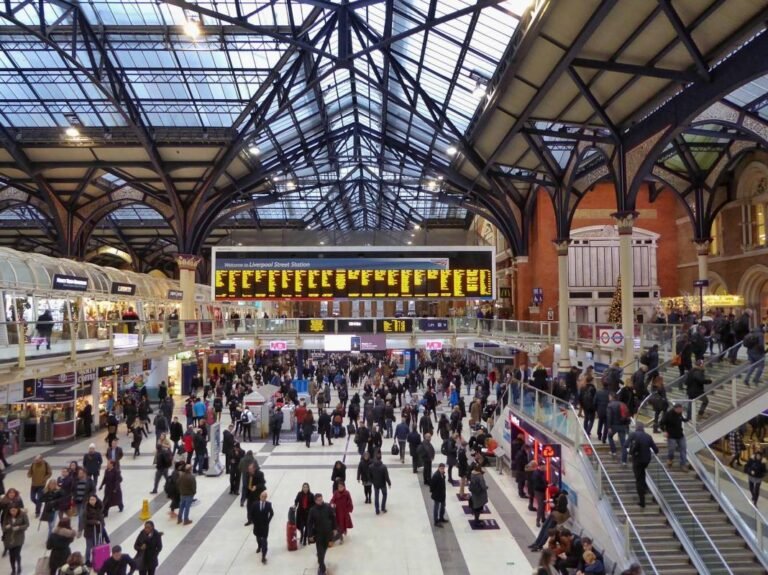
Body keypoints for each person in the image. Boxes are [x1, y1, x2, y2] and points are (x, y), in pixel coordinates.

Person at [627, 423, 658, 508]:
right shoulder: (648, 436)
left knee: (638, 479)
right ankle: (645, 488)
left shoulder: (635, 436)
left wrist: (630, 453)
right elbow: (655, 449)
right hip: (646, 460)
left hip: (638, 460)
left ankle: (642, 501)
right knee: (642, 473)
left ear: (636, 428)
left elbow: (633, 447)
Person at [307, 493, 337, 575]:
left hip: (328, 534)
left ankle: (320, 558)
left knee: (323, 552)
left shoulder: (327, 507)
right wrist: (310, 535)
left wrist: (334, 528)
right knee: (320, 555)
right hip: (319, 535)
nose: (321, 501)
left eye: (321, 499)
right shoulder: (312, 510)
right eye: (319, 500)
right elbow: (309, 523)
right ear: (315, 501)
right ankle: (322, 569)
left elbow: (333, 518)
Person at [660, 403, 688, 469]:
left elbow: (682, 419)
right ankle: (670, 459)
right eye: (680, 409)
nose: (681, 410)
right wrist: (665, 431)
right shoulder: (668, 414)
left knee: (683, 449)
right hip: (671, 435)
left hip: (680, 435)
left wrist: (687, 419)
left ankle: (683, 464)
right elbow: (661, 423)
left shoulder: (679, 414)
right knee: (671, 449)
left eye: (681, 409)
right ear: (676, 409)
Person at [1, 505, 28, 574]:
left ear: (17, 509)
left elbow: (27, 524)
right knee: (11, 555)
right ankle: (13, 569)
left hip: (19, 538)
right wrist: (7, 527)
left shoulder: (23, 514)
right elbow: (3, 527)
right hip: (9, 539)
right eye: (11, 511)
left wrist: (19, 527)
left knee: (17, 554)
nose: (13, 512)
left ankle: (19, 566)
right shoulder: (6, 516)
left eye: (14, 510)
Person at [606, 393, 631, 463]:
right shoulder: (622, 404)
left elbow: (609, 417)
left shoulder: (610, 405)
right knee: (623, 444)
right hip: (622, 426)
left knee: (610, 436)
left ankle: (613, 451)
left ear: (612, 397)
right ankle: (624, 461)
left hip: (614, 426)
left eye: (609, 396)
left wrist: (609, 427)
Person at [83, 495, 105, 568]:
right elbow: (85, 520)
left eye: (93, 499)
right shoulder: (86, 509)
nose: (92, 501)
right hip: (89, 531)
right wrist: (95, 522)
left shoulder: (99, 507)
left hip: (98, 530)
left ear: (96, 500)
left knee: (97, 546)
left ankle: (96, 559)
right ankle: (87, 560)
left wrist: (102, 524)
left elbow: (101, 518)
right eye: (90, 499)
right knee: (89, 547)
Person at [252, 491, 273, 564]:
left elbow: (272, 513)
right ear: (260, 497)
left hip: (264, 526)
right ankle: (259, 546)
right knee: (258, 538)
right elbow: (252, 514)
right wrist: (254, 522)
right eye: (262, 496)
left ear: (266, 497)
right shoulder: (255, 504)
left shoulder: (268, 504)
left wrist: (268, 521)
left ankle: (263, 556)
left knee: (264, 541)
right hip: (257, 525)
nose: (263, 498)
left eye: (265, 497)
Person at [430, 462, 447, 527]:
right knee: (436, 508)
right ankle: (436, 521)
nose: (442, 470)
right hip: (437, 495)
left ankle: (441, 518)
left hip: (442, 494)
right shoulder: (436, 476)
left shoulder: (442, 474)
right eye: (441, 468)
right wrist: (434, 492)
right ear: (438, 468)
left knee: (443, 506)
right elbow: (432, 486)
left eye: (443, 468)